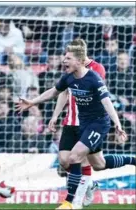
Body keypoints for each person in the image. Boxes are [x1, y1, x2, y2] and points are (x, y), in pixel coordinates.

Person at [15, 40, 135, 209]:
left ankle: (71, 202)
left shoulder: (95, 74)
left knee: (76, 157)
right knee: (92, 164)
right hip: (76, 123)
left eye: (68, 57)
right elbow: (58, 91)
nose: (64, 60)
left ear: (80, 59)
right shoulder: (69, 76)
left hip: (97, 123)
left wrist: (117, 123)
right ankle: (129, 161)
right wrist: (35, 103)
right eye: (64, 57)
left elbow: (107, 101)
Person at [48, 39, 106, 208]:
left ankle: (75, 202)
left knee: (86, 161)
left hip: (89, 122)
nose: (66, 59)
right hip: (71, 120)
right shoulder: (70, 70)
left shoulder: (97, 69)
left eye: (70, 55)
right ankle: (88, 185)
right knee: (65, 161)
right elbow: (63, 91)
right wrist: (55, 115)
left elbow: (97, 94)